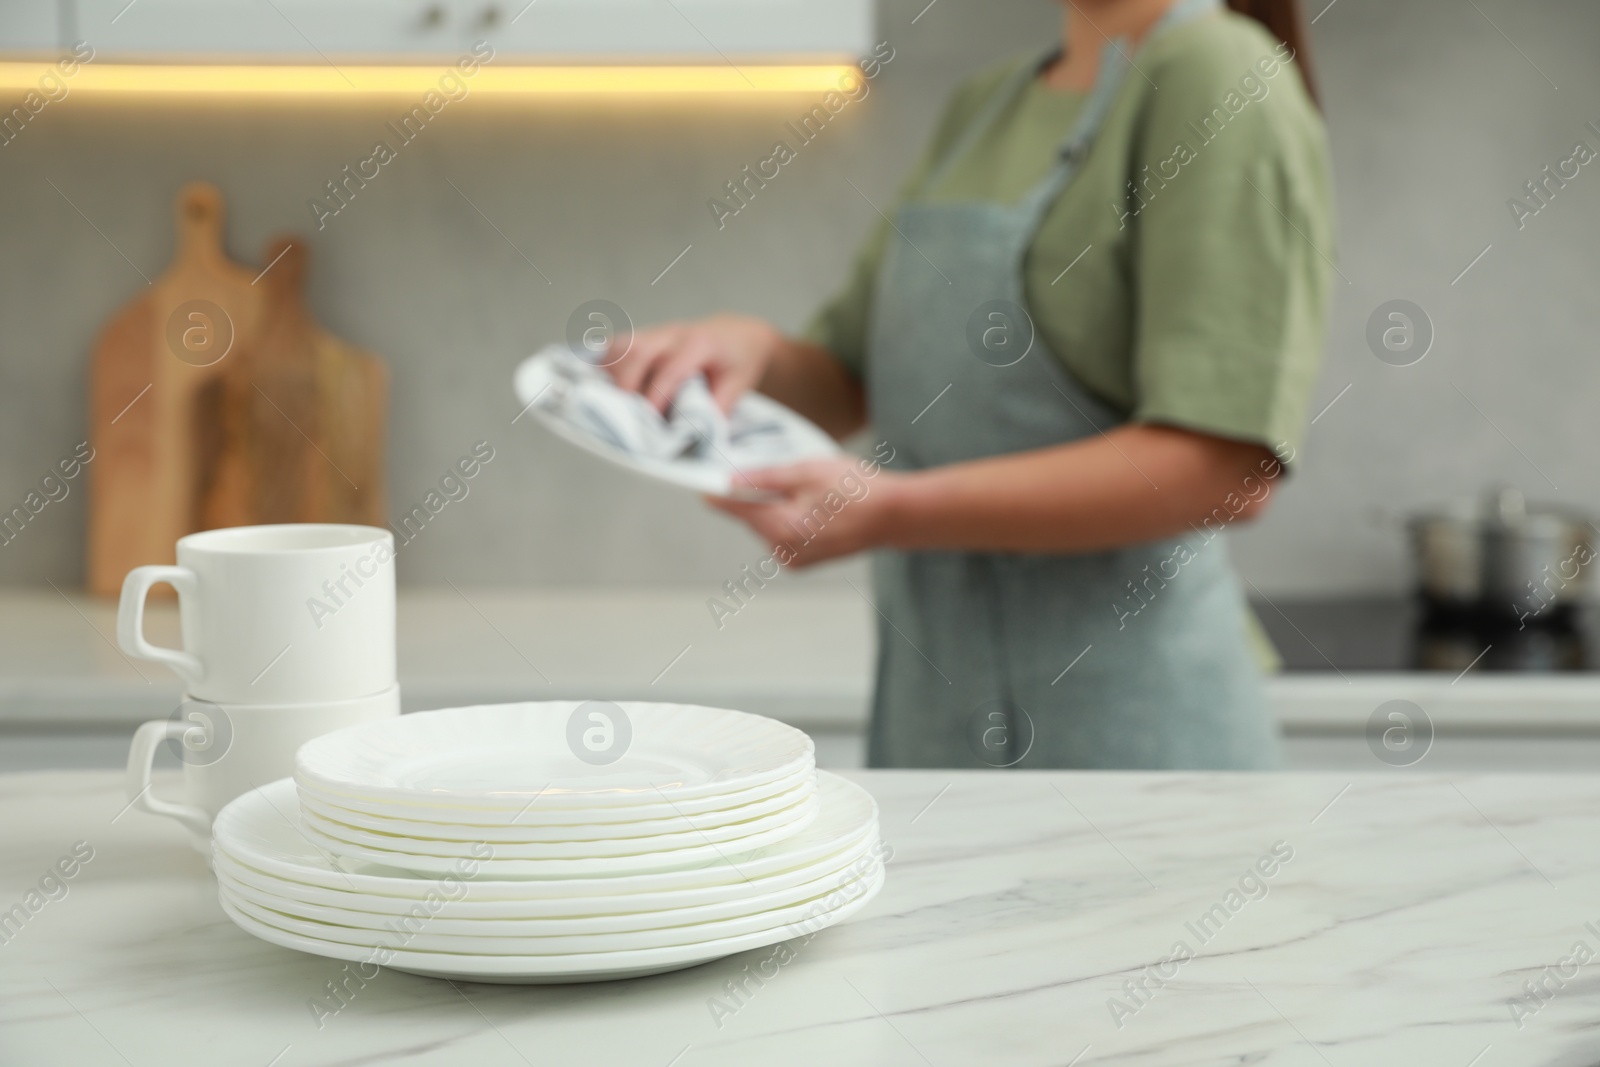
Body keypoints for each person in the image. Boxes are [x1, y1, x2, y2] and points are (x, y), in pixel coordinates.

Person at [607, 0, 1334, 769]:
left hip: (1132, 745)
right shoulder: (986, 106)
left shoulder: (1220, 73)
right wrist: (739, 351)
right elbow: (847, 376)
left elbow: (1224, 468)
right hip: (937, 722)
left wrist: (894, 511)